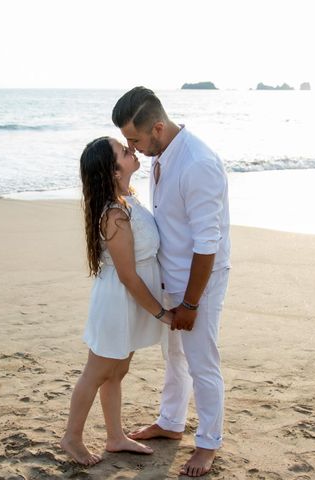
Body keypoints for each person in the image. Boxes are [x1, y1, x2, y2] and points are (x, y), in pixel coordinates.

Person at [112, 87, 231, 477]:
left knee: (202, 361)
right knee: (174, 357)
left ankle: (209, 443)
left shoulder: (197, 164)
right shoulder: (164, 156)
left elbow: (207, 244)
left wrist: (192, 303)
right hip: (172, 276)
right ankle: (171, 422)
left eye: (136, 139)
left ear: (158, 127)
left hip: (200, 282)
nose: (134, 149)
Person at [60, 136, 173, 466]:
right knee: (96, 371)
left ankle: (115, 437)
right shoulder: (114, 215)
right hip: (119, 303)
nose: (132, 149)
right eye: (124, 151)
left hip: (132, 302)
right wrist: (162, 313)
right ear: (112, 171)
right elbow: (127, 275)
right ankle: (72, 437)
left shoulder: (127, 198)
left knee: (117, 371)